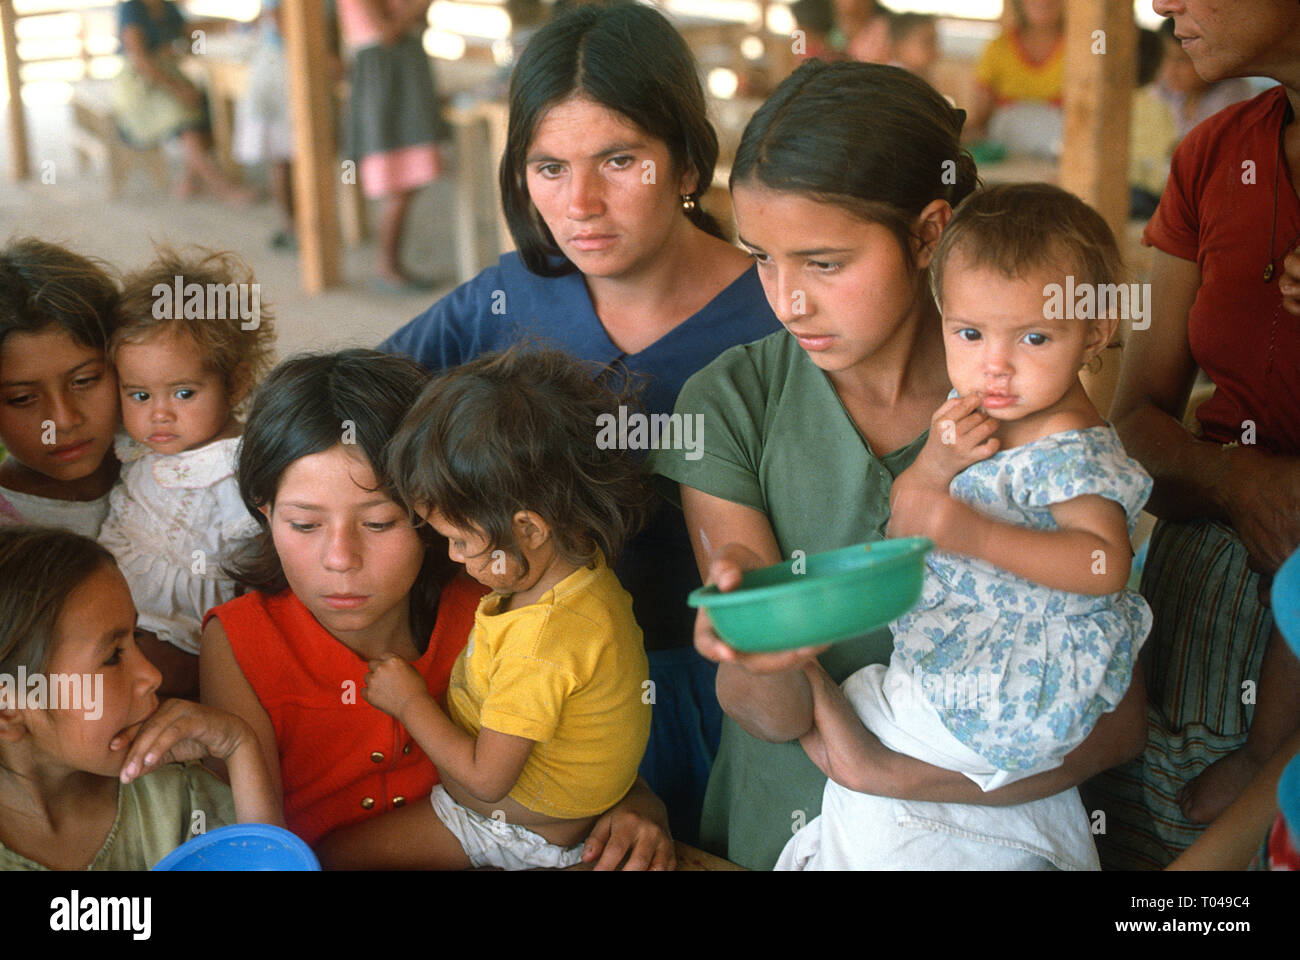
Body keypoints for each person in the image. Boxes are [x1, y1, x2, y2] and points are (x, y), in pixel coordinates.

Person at [648, 60, 1147, 871]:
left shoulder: (1031, 406)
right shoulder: (732, 404)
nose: (787, 299)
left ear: (928, 233)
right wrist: (756, 651)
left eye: (824, 262)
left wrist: (895, 776)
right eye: (762, 258)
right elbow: (770, 716)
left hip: (997, 828)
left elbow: (1118, 726)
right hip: (792, 829)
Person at [379, 2, 781, 846]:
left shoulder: (781, 315)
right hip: (524, 712)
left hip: (735, 696)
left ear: (686, 161)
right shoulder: (507, 297)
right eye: (548, 167)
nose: (582, 204)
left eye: (619, 160)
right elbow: (347, 421)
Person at [775, 184, 1153, 870]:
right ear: (944, 318)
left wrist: (974, 534)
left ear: (1095, 331)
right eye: (970, 334)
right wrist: (936, 464)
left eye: (1035, 337)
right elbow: (911, 518)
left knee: (889, 810)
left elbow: (1105, 565)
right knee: (869, 778)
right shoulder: (970, 410)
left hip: (1019, 677)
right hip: (951, 655)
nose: (996, 364)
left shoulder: (1069, 443)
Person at [200, 351, 674, 868]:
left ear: (439, 514)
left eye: (380, 523)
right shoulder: (241, 643)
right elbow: (255, 847)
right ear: (265, 512)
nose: (340, 560)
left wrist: (637, 803)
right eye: (304, 525)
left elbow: (579, 737)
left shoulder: (493, 607)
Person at [1090, 0, 1300, 870]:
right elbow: (1134, 423)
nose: (1160, 5)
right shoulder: (1214, 155)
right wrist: (1237, 481)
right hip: (1206, 605)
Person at [0, 527, 281, 870]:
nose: (152, 675)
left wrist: (239, 748)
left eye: (137, 636)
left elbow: (267, 863)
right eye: (113, 656)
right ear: (9, 710)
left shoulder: (172, 797)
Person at [96, 248, 276, 700]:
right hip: (107, 600)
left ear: (235, 384)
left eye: (183, 392)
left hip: (179, 629)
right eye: (138, 395)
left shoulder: (239, 469)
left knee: (128, 689)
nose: (159, 414)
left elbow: (265, 565)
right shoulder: (137, 441)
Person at [0, 238, 122, 538]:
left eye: (85, 380)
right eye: (22, 398)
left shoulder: (174, 460)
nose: (63, 421)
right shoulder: (9, 529)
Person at [337, 0, 448, 290]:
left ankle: (389, 263)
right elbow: (386, 31)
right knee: (396, 178)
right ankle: (386, 264)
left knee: (408, 177)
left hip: (401, 72)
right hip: (386, 76)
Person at [112, 0, 253, 202]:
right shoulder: (132, 8)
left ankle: (188, 182)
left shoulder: (167, 7)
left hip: (166, 75)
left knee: (207, 108)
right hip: (141, 85)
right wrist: (178, 89)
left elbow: (190, 32)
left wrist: (233, 24)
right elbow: (140, 60)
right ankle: (224, 188)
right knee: (187, 122)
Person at [966, 0, 1065, 157]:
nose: (1043, 2)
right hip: (1006, 165)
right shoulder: (997, 48)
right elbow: (980, 122)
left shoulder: (1080, 50)